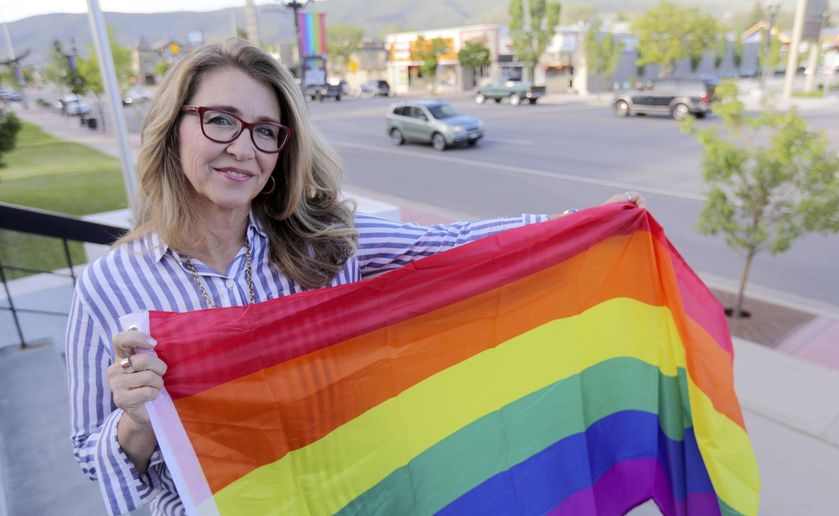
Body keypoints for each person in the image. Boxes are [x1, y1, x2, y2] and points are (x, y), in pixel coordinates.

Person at [65, 39, 646, 515]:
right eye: (220, 120)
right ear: (174, 128)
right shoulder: (110, 289)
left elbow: (449, 246)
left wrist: (583, 226)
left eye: (267, 131)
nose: (244, 147)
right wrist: (136, 421)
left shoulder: (323, 245)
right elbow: (94, 456)